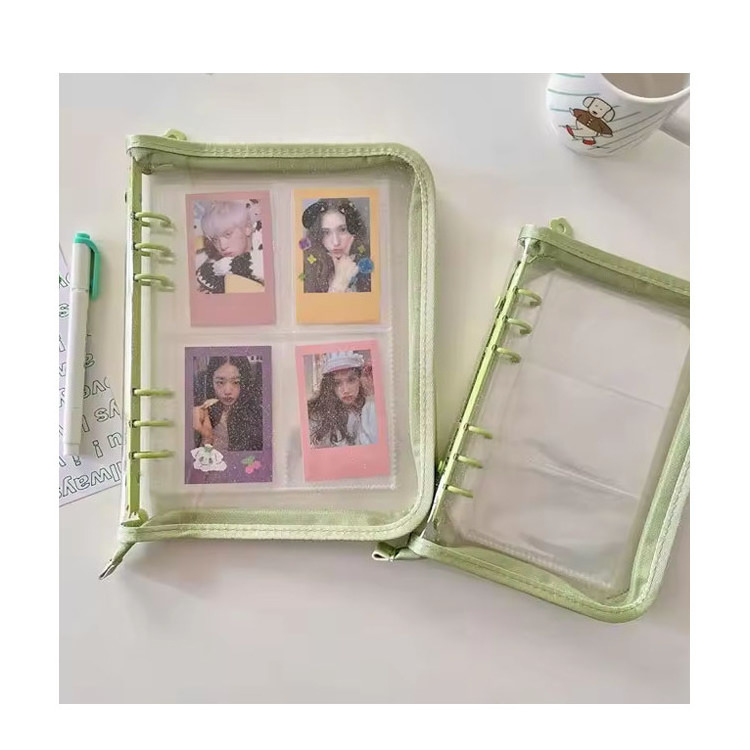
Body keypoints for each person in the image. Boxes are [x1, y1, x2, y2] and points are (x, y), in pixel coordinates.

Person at [300, 198, 372, 293]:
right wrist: (340, 282)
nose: (336, 242)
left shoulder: (369, 269)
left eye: (342, 230)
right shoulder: (309, 272)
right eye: (326, 232)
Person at [307, 351, 377, 448]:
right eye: (337, 383)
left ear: (360, 380)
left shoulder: (369, 410)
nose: (346, 390)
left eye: (351, 380)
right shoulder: (319, 417)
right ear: (330, 386)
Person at [193, 357, 263, 452]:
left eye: (236, 382)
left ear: (245, 382)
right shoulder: (203, 411)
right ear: (211, 382)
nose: (227, 391)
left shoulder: (257, 415)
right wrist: (207, 437)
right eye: (220, 382)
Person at [195, 200, 264, 294]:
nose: (222, 246)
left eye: (228, 234)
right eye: (215, 240)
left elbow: (264, 267)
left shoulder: (263, 236)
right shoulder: (215, 260)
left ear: (247, 228)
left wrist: (218, 268)